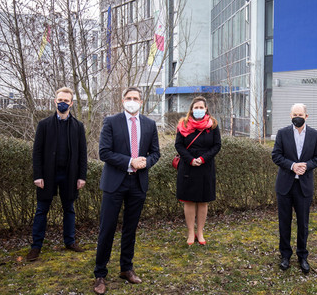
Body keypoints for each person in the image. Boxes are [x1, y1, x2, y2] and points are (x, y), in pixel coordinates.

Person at [93, 87, 161, 294]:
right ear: (123, 100)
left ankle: (126, 268)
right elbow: (104, 152)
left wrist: (145, 162)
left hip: (138, 183)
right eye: (129, 98)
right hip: (115, 183)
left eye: (136, 98)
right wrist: (130, 161)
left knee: (130, 229)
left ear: (142, 101)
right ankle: (100, 274)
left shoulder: (149, 124)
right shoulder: (111, 121)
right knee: (107, 229)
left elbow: (156, 153)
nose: (132, 101)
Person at [27, 87, 87, 262]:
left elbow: (82, 154)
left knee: (69, 209)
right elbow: (37, 152)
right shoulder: (44, 125)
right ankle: (36, 246)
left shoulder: (78, 126)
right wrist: (37, 175)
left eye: (66, 100)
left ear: (71, 103)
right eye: (60, 99)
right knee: (41, 210)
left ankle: (70, 242)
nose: (62, 103)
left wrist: (81, 176)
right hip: (47, 176)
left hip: (69, 175)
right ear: (55, 101)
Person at [272, 103, 317, 274]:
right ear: (290, 115)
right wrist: (293, 165)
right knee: (284, 223)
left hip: (304, 186)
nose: (297, 117)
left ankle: (302, 256)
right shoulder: (282, 133)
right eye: (294, 114)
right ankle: (285, 255)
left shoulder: (315, 135)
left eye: (300, 114)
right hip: (285, 185)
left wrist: (306, 166)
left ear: (306, 116)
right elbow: (276, 155)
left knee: (303, 224)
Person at [175, 96, 221, 246]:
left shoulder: (212, 125)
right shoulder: (183, 124)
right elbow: (179, 145)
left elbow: (216, 146)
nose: (199, 110)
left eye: (201, 107)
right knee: (188, 200)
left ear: (206, 109)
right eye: (196, 107)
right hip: (187, 166)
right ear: (191, 109)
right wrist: (190, 159)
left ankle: (200, 232)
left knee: (203, 201)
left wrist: (202, 159)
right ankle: (190, 232)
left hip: (205, 166)